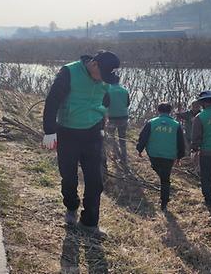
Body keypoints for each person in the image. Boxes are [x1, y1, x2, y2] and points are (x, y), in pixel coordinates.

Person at [41, 51, 120, 234]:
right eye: (103, 75)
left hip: (93, 133)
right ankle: (71, 206)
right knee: (69, 177)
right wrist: (49, 131)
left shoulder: (105, 80)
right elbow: (52, 100)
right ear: (94, 64)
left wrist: (102, 114)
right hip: (68, 132)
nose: (104, 80)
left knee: (95, 180)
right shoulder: (69, 72)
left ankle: (90, 223)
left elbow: (105, 98)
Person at [136, 102, 186, 211]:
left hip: (153, 154)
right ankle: (164, 200)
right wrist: (180, 156)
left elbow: (143, 137)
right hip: (169, 155)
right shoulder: (176, 125)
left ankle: (164, 199)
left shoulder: (151, 122)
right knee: (165, 178)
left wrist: (140, 149)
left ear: (158, 110)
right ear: (170, 111)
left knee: (159, 172)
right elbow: (181, 142)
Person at [105, 76, 130, 163]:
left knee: (111, 136)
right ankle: (124, 157)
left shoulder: (108, 91)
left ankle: (116, 154)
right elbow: (127, 104)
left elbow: (105, 105)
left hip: (112, 117)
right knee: (122, 138)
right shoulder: (125, 90)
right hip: (124, 116)